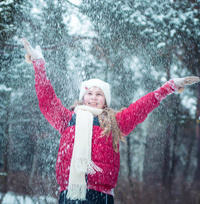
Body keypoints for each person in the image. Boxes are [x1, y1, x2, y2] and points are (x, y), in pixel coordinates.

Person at [21, 38, 199, 204]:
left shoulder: (114, 123)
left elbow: (141, 108)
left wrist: (168, 87)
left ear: (105, 100)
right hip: (70, 193)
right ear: (83, 97)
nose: (93, 98)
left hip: (102, 195)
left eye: (99, 94)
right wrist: (39, 65)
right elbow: (47, 100)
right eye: (89, 93)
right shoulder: (68, 119)